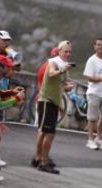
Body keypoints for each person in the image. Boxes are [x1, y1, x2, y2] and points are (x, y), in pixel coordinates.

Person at [35, 40, 74, 174]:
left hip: (53, 101)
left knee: (44, 132)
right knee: (49, 133)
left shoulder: (63, 64)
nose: (68, 54)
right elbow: (51, 73)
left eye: (69, 51)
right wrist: (63, 69)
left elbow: (59, 84)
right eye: (66, 51)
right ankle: (43, 162)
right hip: (47, 101)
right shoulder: (54, 61)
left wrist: (67, 87)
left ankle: (38, 157)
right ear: (60, 51)